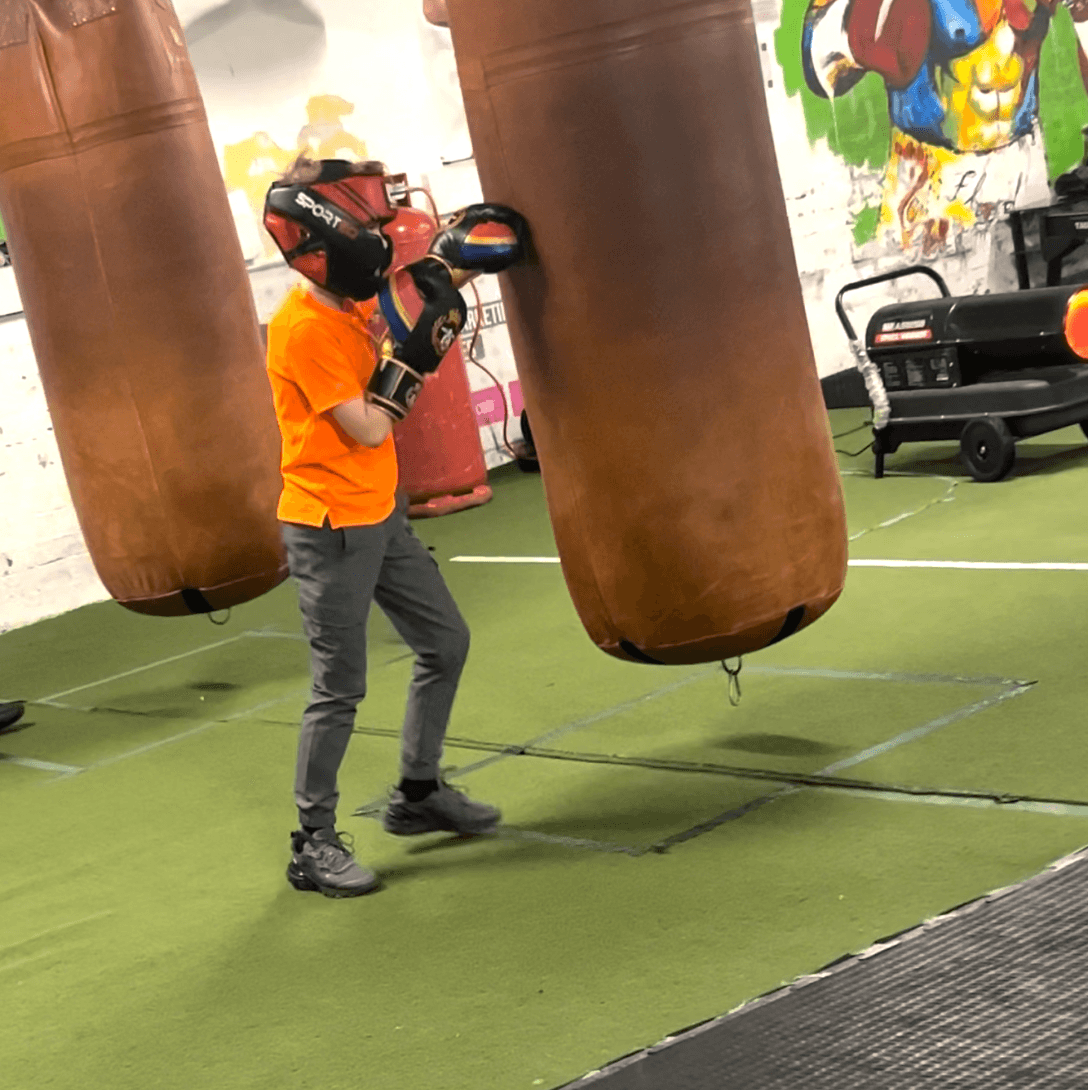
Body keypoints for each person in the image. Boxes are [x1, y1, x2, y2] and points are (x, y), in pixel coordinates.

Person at [262, 156, 528, 898]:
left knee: (445, 642)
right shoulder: (302, 331)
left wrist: (453, 270)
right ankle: (312, 842)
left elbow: (401, 304)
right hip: (330, 528)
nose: (377, 243)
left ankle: (418, 792)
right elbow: (369, 427)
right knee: (339, 689)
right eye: (367, 230)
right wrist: (416, 359)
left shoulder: (343, 306)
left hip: (379, 512)